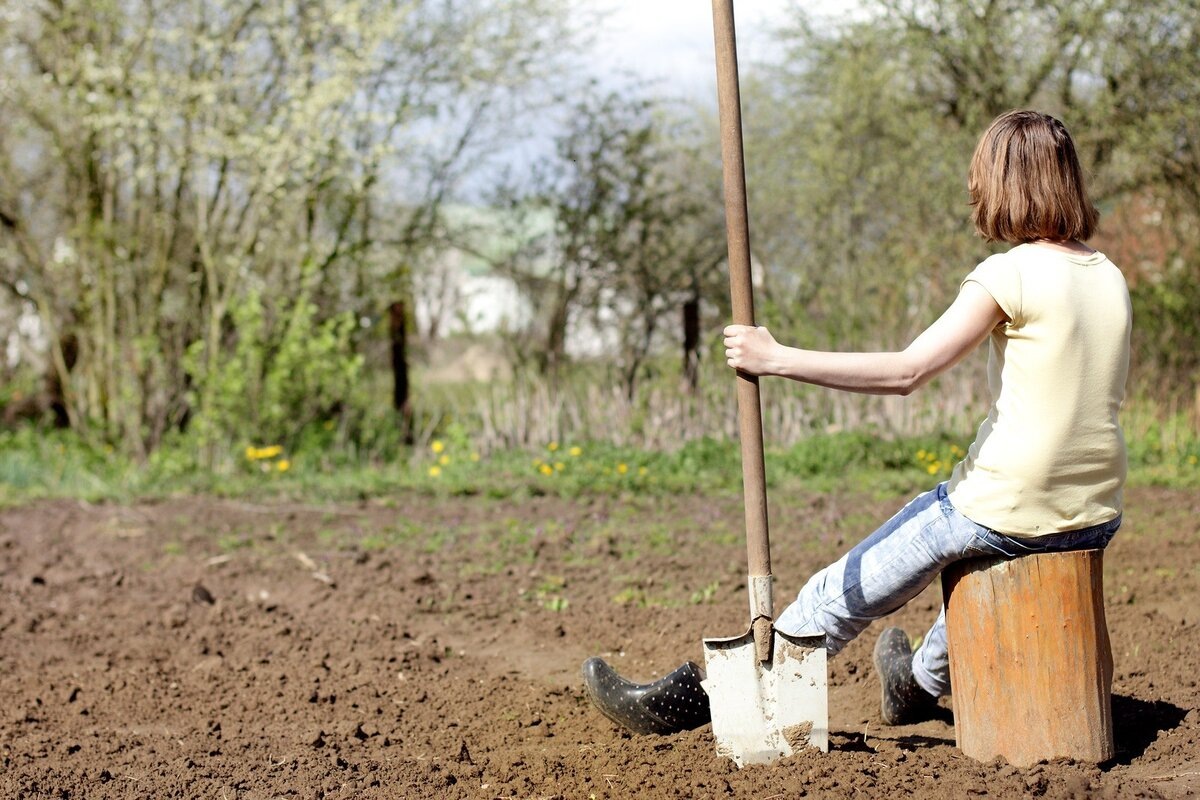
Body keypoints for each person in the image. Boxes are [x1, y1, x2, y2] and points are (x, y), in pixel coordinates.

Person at [582, 109, 1132, 734]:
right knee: (976, 583)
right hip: (1095, 509)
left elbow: (907, 373)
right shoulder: (1107, 275)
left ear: (1004, 184)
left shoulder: (1009, 273)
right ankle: (918, 684)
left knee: (832, 597)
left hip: (1006, 500)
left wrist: (776, 358)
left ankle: (715, 702)